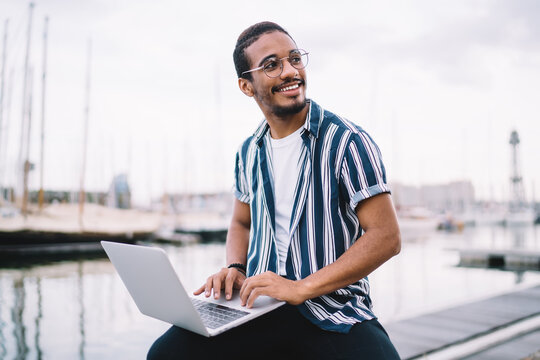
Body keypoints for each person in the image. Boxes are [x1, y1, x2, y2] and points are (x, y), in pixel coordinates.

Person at [147, 21, 401, 360]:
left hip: (333, 308)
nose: (290, 71)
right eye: (272, 65)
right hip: (260, 305)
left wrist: (300, 288)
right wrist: (236, 267)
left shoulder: (347, 141)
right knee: (166, 354)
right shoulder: (248, 152)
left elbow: (386, 236)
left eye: (294, 59)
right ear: (246, 86)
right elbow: (241, 222)